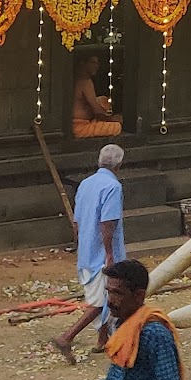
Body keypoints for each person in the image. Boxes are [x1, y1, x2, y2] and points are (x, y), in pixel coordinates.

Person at [54, 144, 130, 361]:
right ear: (119, 164)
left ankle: (102, 339)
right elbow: (108, 223)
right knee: (105, 300)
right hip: (101, 251)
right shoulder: (113, 187)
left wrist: (79, 244)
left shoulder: (85, 184)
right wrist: (109, 253)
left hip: (86, 249)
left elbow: (76, 221)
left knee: (102, 294)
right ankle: (67, 337)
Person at [73, 54, 122, 138]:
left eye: (97, 63)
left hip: (82, 121)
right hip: (79, 127)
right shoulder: (85, 81)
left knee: (104, 100)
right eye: (93, 62)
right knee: (116, 127)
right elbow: (96, 109)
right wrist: (112, 119)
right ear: (82, 63)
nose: (96, 66)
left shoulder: (77, 78)